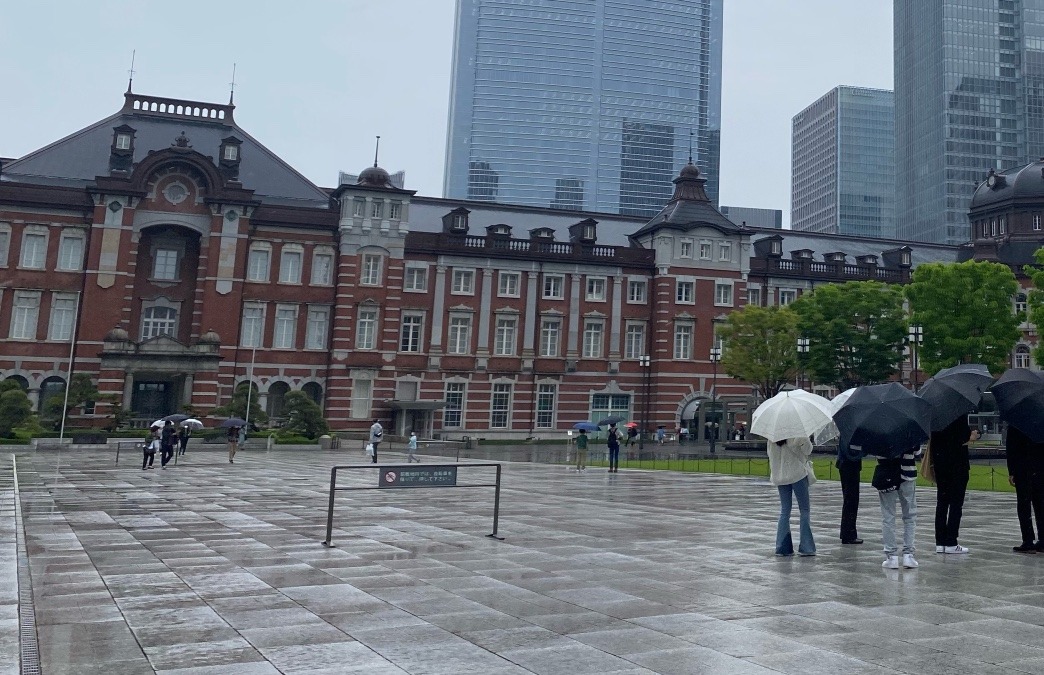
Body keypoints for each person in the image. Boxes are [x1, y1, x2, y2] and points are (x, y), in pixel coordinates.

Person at [931, 417, 977, 554]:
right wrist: (973, 435)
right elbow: (963, 437)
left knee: (942, 503)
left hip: (940, 464)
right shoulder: (959, 415)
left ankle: (940, 542)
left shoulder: (936, 417)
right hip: (957, 464)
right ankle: (951, 541)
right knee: (956, 504)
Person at [877, 444, 923, 569]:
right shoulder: (910, 430)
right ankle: (908, 554)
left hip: (887, 474)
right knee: (910, 516)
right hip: (907, 474)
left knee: (888, 517)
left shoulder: (879, 430)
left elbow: (877, 453)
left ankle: (891, 556)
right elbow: (918, 452)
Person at [768, 436, 816, 556]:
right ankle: (807, 547)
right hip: (797, 474)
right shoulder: (797, 434)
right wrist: (807, 438)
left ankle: (782, 547)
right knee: (804, 509)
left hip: (780, 476)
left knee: (785, 510)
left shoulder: (772, 438)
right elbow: (808, 450)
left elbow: (770, 455)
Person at [1006, 425, 1044, 553]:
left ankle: (1028, 540)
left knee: (1024, 505)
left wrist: (1011, 471)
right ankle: (1043, 540)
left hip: (1022, 468)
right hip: (1039, 467)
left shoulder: (1016, 423)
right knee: (1040, 504)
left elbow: (1011, 448)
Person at [837, 452, 864, 545]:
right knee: (851, 501)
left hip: (847, 465)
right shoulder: (849, 437)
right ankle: (848, 534)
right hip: (850, 465)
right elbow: (852, 451)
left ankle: (847, 533)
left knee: (850, 501)